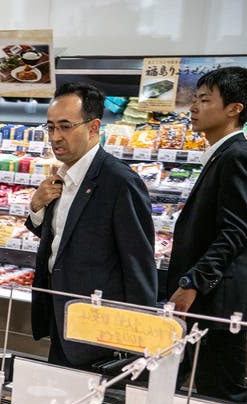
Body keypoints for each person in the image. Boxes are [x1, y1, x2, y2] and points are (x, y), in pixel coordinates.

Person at [26, 83, 157, 368]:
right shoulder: (61, 176)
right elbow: (65, 237)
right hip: (61, 317)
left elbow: (139, 264)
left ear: (94, 127)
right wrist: (37, 209)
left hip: (99, 329)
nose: (56, 137)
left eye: (65, 126)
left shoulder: (120, 182)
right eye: (50, 128)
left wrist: (138, 336)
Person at [167, 66, 247, 403]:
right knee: (206, 386)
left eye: (205, 100)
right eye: (195, 99)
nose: (193, 107)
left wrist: (193, 281)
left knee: (221, 392)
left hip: (220, 302)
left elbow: (236, 230)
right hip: (213, 297)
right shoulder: (223, 153)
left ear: (234, 109)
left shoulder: (238, 156)